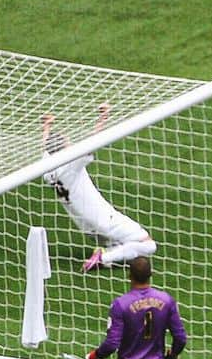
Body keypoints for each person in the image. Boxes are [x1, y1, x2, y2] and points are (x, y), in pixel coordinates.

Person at [42, 103, 157, 271]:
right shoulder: (72, 164)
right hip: (103, 218)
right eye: (68, 143)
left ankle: (109, 251)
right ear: (64, 149)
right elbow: (94, 142)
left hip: (84, 224)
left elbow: (45, 146)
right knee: (148, 245)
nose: (70, 144)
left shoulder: (46, 169)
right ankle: (103, 258)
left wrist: (46, 126)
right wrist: (103, 117)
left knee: (125, 247)